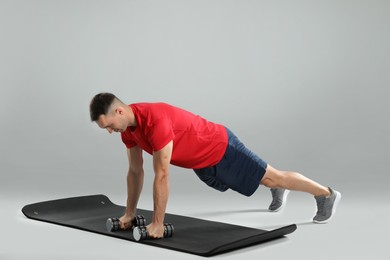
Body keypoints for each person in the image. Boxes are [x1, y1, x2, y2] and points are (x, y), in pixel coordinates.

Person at [89, 93, 341, 238]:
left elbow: (162, 174)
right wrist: (130, 214)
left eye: (109, 125)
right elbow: (135, 172)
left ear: (119, 111)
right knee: (262, 179)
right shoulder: (128, 132)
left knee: (272, 176)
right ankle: (274, 188)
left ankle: (326, 194)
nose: (110, 132)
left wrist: (157, 223)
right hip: (202, 162)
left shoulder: (155, 122)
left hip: (220, 147)